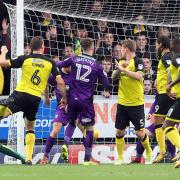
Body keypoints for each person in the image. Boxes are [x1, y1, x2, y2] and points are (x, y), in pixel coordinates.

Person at [0, 36, 67, 165]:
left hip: (20, 95)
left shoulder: (25, 59)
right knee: (30, 128)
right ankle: (29, 158)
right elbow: (60, 82)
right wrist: (63, 98)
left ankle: (25, 157)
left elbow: (2, 63)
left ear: (30, 48)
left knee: (2, 115)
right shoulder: (50, 62)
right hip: (34, 99)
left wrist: (3, 52)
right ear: (43, 47)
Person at [56, 38, 109, 165]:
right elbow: (106, 82)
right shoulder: (97, 64)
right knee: (89, 128)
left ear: (83, 48)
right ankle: (87, 159)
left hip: (72, 99)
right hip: (86, 101)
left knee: (72, 123)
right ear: (92, 47)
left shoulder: (74, 58)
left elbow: (58, 65)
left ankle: (66, 143)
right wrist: (104, 82)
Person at [111, 39, 152, 165]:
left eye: (122, 49)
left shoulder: (138, 61)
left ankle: (149, 151)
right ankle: (120, 157)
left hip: (136, 103)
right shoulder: (122, 62)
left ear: (126, 49)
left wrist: (123, 70)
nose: (120, 51)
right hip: (123, 103)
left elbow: (139, 76)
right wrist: (119, 69)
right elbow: (113, 77)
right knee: (119, 131)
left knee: (140, 132)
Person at [153, 36, 175, 163]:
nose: (155, 46)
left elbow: (170, 71)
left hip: (165, 94)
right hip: (170, 93)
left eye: (156, 44)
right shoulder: (172, 55)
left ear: (161, 45)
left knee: (159, 120)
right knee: (169, 122)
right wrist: (158, 79)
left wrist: (168, 86)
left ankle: (162, 151)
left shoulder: (166, 56)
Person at [162, 38, 180, 168]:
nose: (171, 46)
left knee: (167, 125)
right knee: (167, 125)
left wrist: (169, 86)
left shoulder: (177, 57)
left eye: (172, 44)